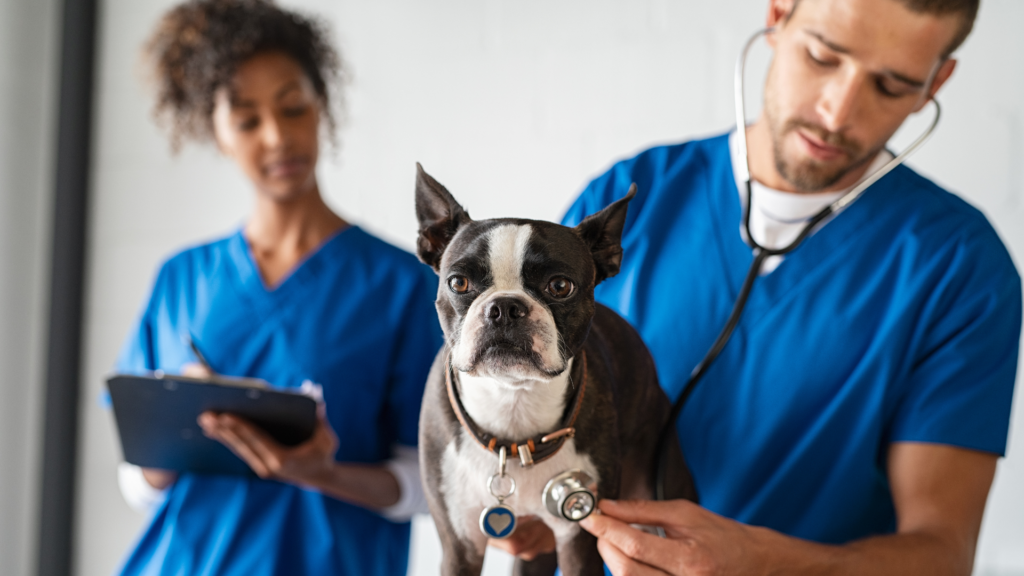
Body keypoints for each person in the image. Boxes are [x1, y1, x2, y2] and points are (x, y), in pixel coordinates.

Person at [498, 0, 1022, 574]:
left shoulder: (961, 266)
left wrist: (767, 564)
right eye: (822, 56)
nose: (837, 112)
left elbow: (941, 552)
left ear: (935, 82)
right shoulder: (628, 200)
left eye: (892, 87)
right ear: (778, 15)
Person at [112, 1, 443, 574]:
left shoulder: (400, 286)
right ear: (214, 132)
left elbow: (430, 486)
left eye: (293, 108)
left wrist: (323, 474)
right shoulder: (181, 279)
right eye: (246, 121)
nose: (277, 137)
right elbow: (139, 483)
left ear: (321, 106)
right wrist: (178, 430)